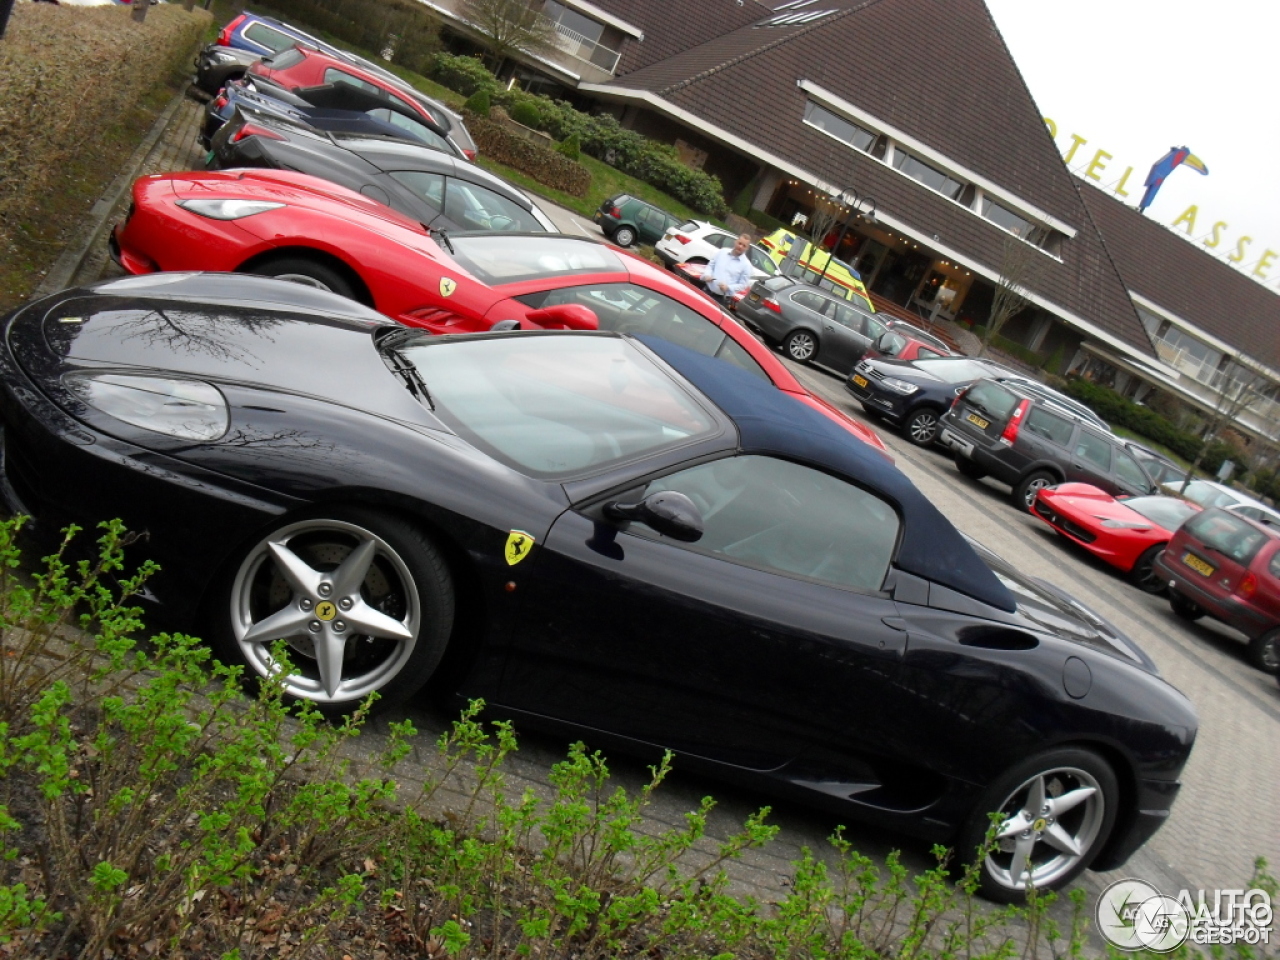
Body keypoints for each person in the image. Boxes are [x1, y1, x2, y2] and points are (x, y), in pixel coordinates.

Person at [702, 233, 754, 307]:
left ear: (747, 248)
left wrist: (728, 287)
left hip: (721, 299)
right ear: (735, 241)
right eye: (739, 243)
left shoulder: (746, 265)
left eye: (744, 246)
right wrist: (707, 275)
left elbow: (743, 285)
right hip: (706, 290)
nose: (740, 247)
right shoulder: (722, 252)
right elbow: (711, 265)